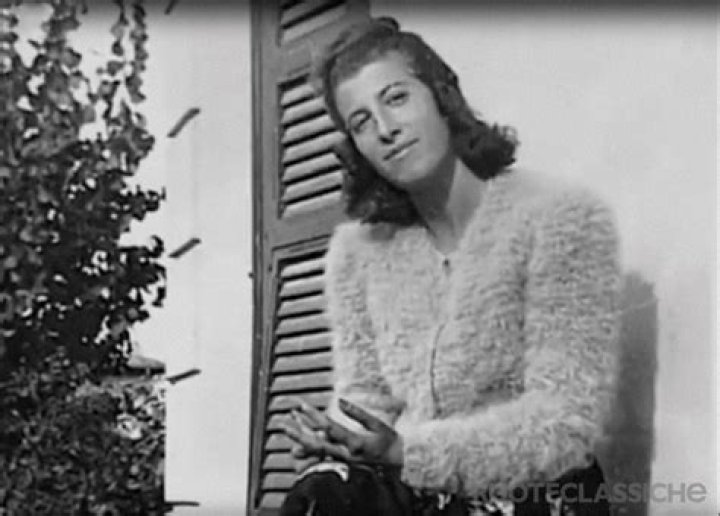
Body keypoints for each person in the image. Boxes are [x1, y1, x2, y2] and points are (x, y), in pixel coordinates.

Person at [279, 16, 621, 516]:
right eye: (362, 123)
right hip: (414, 489)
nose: (386, 130)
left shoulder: (559, 220)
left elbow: (565, 420)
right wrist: (339, 443)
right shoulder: (359, 254)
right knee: (322, 494)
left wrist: (411, 453)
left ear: (442, 96)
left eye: (396, 98)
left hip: (532, 488)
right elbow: (367, 396)